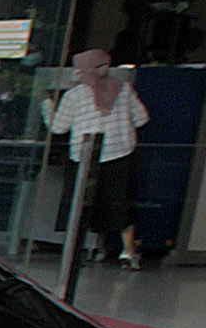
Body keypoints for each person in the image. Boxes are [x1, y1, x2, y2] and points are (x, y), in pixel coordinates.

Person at [49, 49, 152, 266]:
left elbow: (59, 128)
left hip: (86, 158)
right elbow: (142, 119)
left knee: (82, 205)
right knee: (121, 205)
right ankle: (127, 252)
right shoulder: (123, 89)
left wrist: (46, 108)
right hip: (120, 155)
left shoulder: (74, 95)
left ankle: (76, 252)